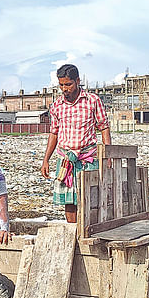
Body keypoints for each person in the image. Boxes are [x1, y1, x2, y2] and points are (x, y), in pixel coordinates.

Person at [40, 64, 111, 223]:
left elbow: (104, 127)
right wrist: (46, 160)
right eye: (61, 85)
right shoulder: (57, 105)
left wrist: (108, 155)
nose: (65, 89)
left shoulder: (92, 101)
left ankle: (88, 232)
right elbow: (54, 132)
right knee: (69, 202)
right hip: (65, 160)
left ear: (78, 81)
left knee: (90, 200)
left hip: (87, 159)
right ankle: (74, 235)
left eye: (68, 84)